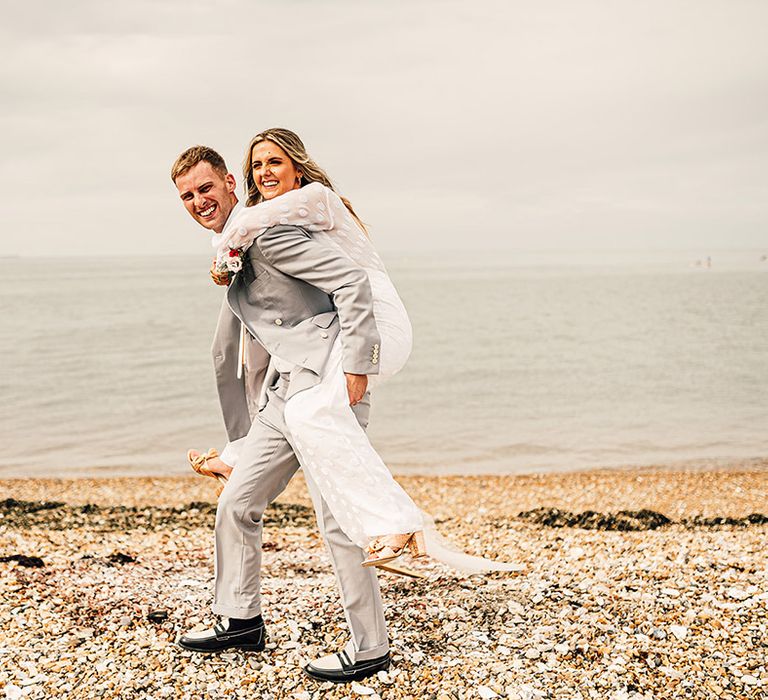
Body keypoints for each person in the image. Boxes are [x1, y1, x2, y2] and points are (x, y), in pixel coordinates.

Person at [172, 143, 392, 683]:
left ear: (229, 182)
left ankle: (370, 648)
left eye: (206, 188)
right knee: (237, 503)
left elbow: (351, 282)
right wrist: (238, 444)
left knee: (337, 520)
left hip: (324, 389)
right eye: (187, 196)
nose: (199, 201)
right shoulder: (238, 244)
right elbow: (237, 352)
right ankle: (240, 619)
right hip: (280, 397)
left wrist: (359, 366)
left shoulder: (266, 232)